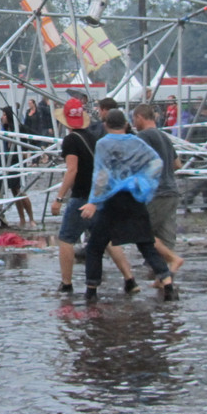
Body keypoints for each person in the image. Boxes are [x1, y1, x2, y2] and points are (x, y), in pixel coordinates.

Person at [79, 110, 178, 302]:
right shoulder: (136, 141)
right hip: (134, 198)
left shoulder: (103, 144)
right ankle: (168, 285)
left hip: (111, 200)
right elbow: (156, 162)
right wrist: (142, 183)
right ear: (125, 124)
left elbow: (101, 175)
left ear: (106, 125)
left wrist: (93, 201)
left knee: (95, 246)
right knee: (146, 243)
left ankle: (91, 290)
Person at [51, 98, 138, 295]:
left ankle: (66, 283)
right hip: (99, 196)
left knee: (66, 238)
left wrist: (59, 198)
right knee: (106, 239)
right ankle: (130, 279)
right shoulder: (92, 137)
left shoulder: (71, 140)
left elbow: (71, 170)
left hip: (82, 196)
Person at [131, 104, 185, 273]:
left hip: (155, 193)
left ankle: (171, 260)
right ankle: (164, 277)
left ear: (140, 117)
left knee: (141, 231)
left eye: (134, 119)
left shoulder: (143, 136)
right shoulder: (164, 137)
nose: (134, 123)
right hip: (171, 192)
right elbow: (177, 164)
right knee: (166, 235)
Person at [0, 106, 36, 229]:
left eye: (4, 114)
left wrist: (28, 151)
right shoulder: (4, 128)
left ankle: (31, 218)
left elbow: (34, 137)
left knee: (20, 190)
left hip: (19, 160)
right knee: (14, 191)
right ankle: (22, 218)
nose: (2, 117)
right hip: (9, 161)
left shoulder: (19, 128)